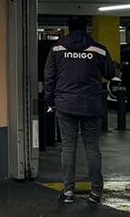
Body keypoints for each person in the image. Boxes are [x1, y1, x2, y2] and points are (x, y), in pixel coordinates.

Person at [44, 15, 116, 205]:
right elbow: (111, 73)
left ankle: (68, 191)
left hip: (65, 105)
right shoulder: (98, 50)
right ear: (86, 29)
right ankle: (96, 192)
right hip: (92, 105)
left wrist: (50, 102)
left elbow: (49, 77)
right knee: (92, 147)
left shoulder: (57, 49)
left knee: (68, 147)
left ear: (68, 28)